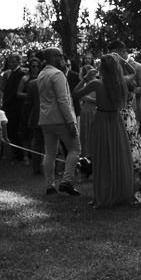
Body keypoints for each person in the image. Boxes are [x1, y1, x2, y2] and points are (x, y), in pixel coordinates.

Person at [74, 54, 136, 208]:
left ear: (102, 67)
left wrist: (85, 78)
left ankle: (103, 195)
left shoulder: (96, 83)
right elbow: (133, 72)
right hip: (116, 121)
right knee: (118, 155)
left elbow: (75, 93)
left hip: (101, 120)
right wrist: (122, 61)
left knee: (102, 158)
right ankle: (119, 193)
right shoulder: (121, 82)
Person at [110, 41, 141, 203]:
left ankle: (136, 185)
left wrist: (127, 89)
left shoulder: (137, 67)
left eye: (116, 53)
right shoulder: (109, 69)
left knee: (134, 150)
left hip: (132, 112)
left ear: (123, 52)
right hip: (113, 114)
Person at [37, 48, 81, 196]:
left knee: (50, 153)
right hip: (61, 119)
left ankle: (49, 185)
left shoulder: (41, 74)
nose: (63, 58)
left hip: (46, 119)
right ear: (54, 58)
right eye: (60, 56)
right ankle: (66, 181)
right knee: (75, 149)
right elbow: (63, 100)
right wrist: (70, 121)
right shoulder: (57, 74)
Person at [19, 57, 43, 174]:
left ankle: (40, 166)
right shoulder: (28, 80)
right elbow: (19, 94)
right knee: (35, 140)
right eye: (33, 66)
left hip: (37, 112)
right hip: (33, 112)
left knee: (39, 141)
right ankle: (34, 163)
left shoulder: (40, 81)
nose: (35, 68)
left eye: (37, 66)